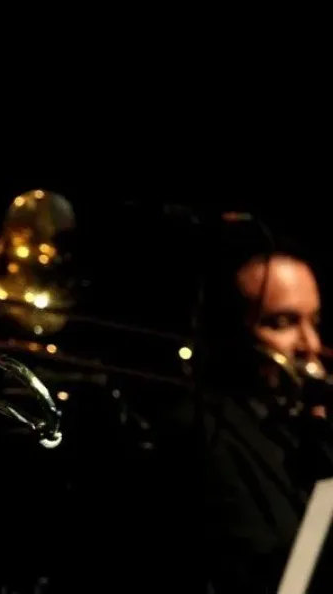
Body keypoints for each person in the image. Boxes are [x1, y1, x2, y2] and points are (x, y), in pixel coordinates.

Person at [135, 227, 331, 594]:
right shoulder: (200, 434)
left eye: (314, 322)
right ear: (231, 332)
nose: (311, 345)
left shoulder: (300, 428)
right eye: (282, 322)